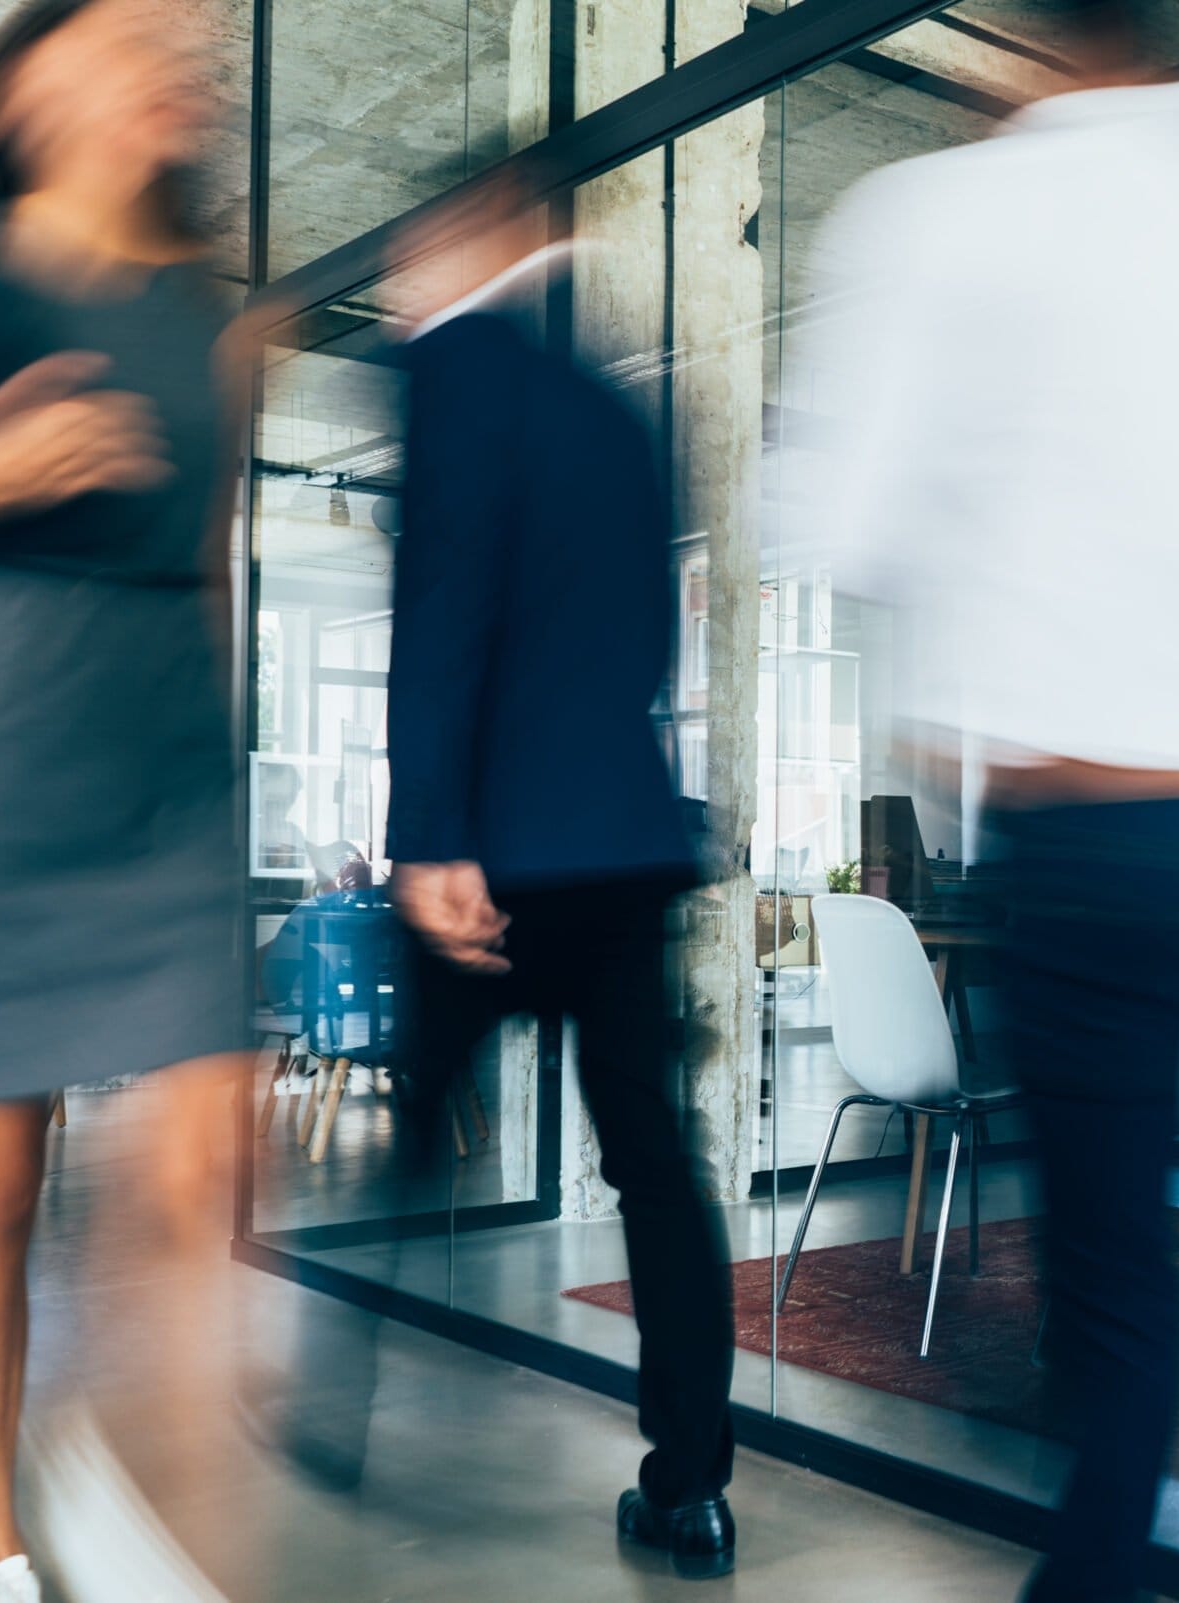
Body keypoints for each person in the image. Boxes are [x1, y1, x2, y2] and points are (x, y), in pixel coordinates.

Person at [805, 2, 1179, 1594]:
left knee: (1095, 1246)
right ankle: (1102, 1522)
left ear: (1035, 48)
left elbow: (849, 515)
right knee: (1114, 1252)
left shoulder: (958, 215)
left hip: (1052, 822)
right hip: (1177, 821)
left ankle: (1093, 1546)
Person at [380, 174, 736, 1576]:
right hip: (625, 836)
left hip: (507, 845)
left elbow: (444, 600)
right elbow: (653, 625)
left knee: (425, 1069)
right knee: (656, 1162)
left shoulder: (457, 369)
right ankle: (692, 1486)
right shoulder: (621, 407)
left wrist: (428, 833)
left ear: (469, 240)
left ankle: (339, 1388)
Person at [0, 4, 246, 1596]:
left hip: (166, 785)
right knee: (1, 1196)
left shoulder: (218, 321)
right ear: (35, 80)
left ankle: (141, 1491)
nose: (177, 51)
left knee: (199, 1170)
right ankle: (3, 1538)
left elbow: (216, 570)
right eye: (136, 29)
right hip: (3, 772)